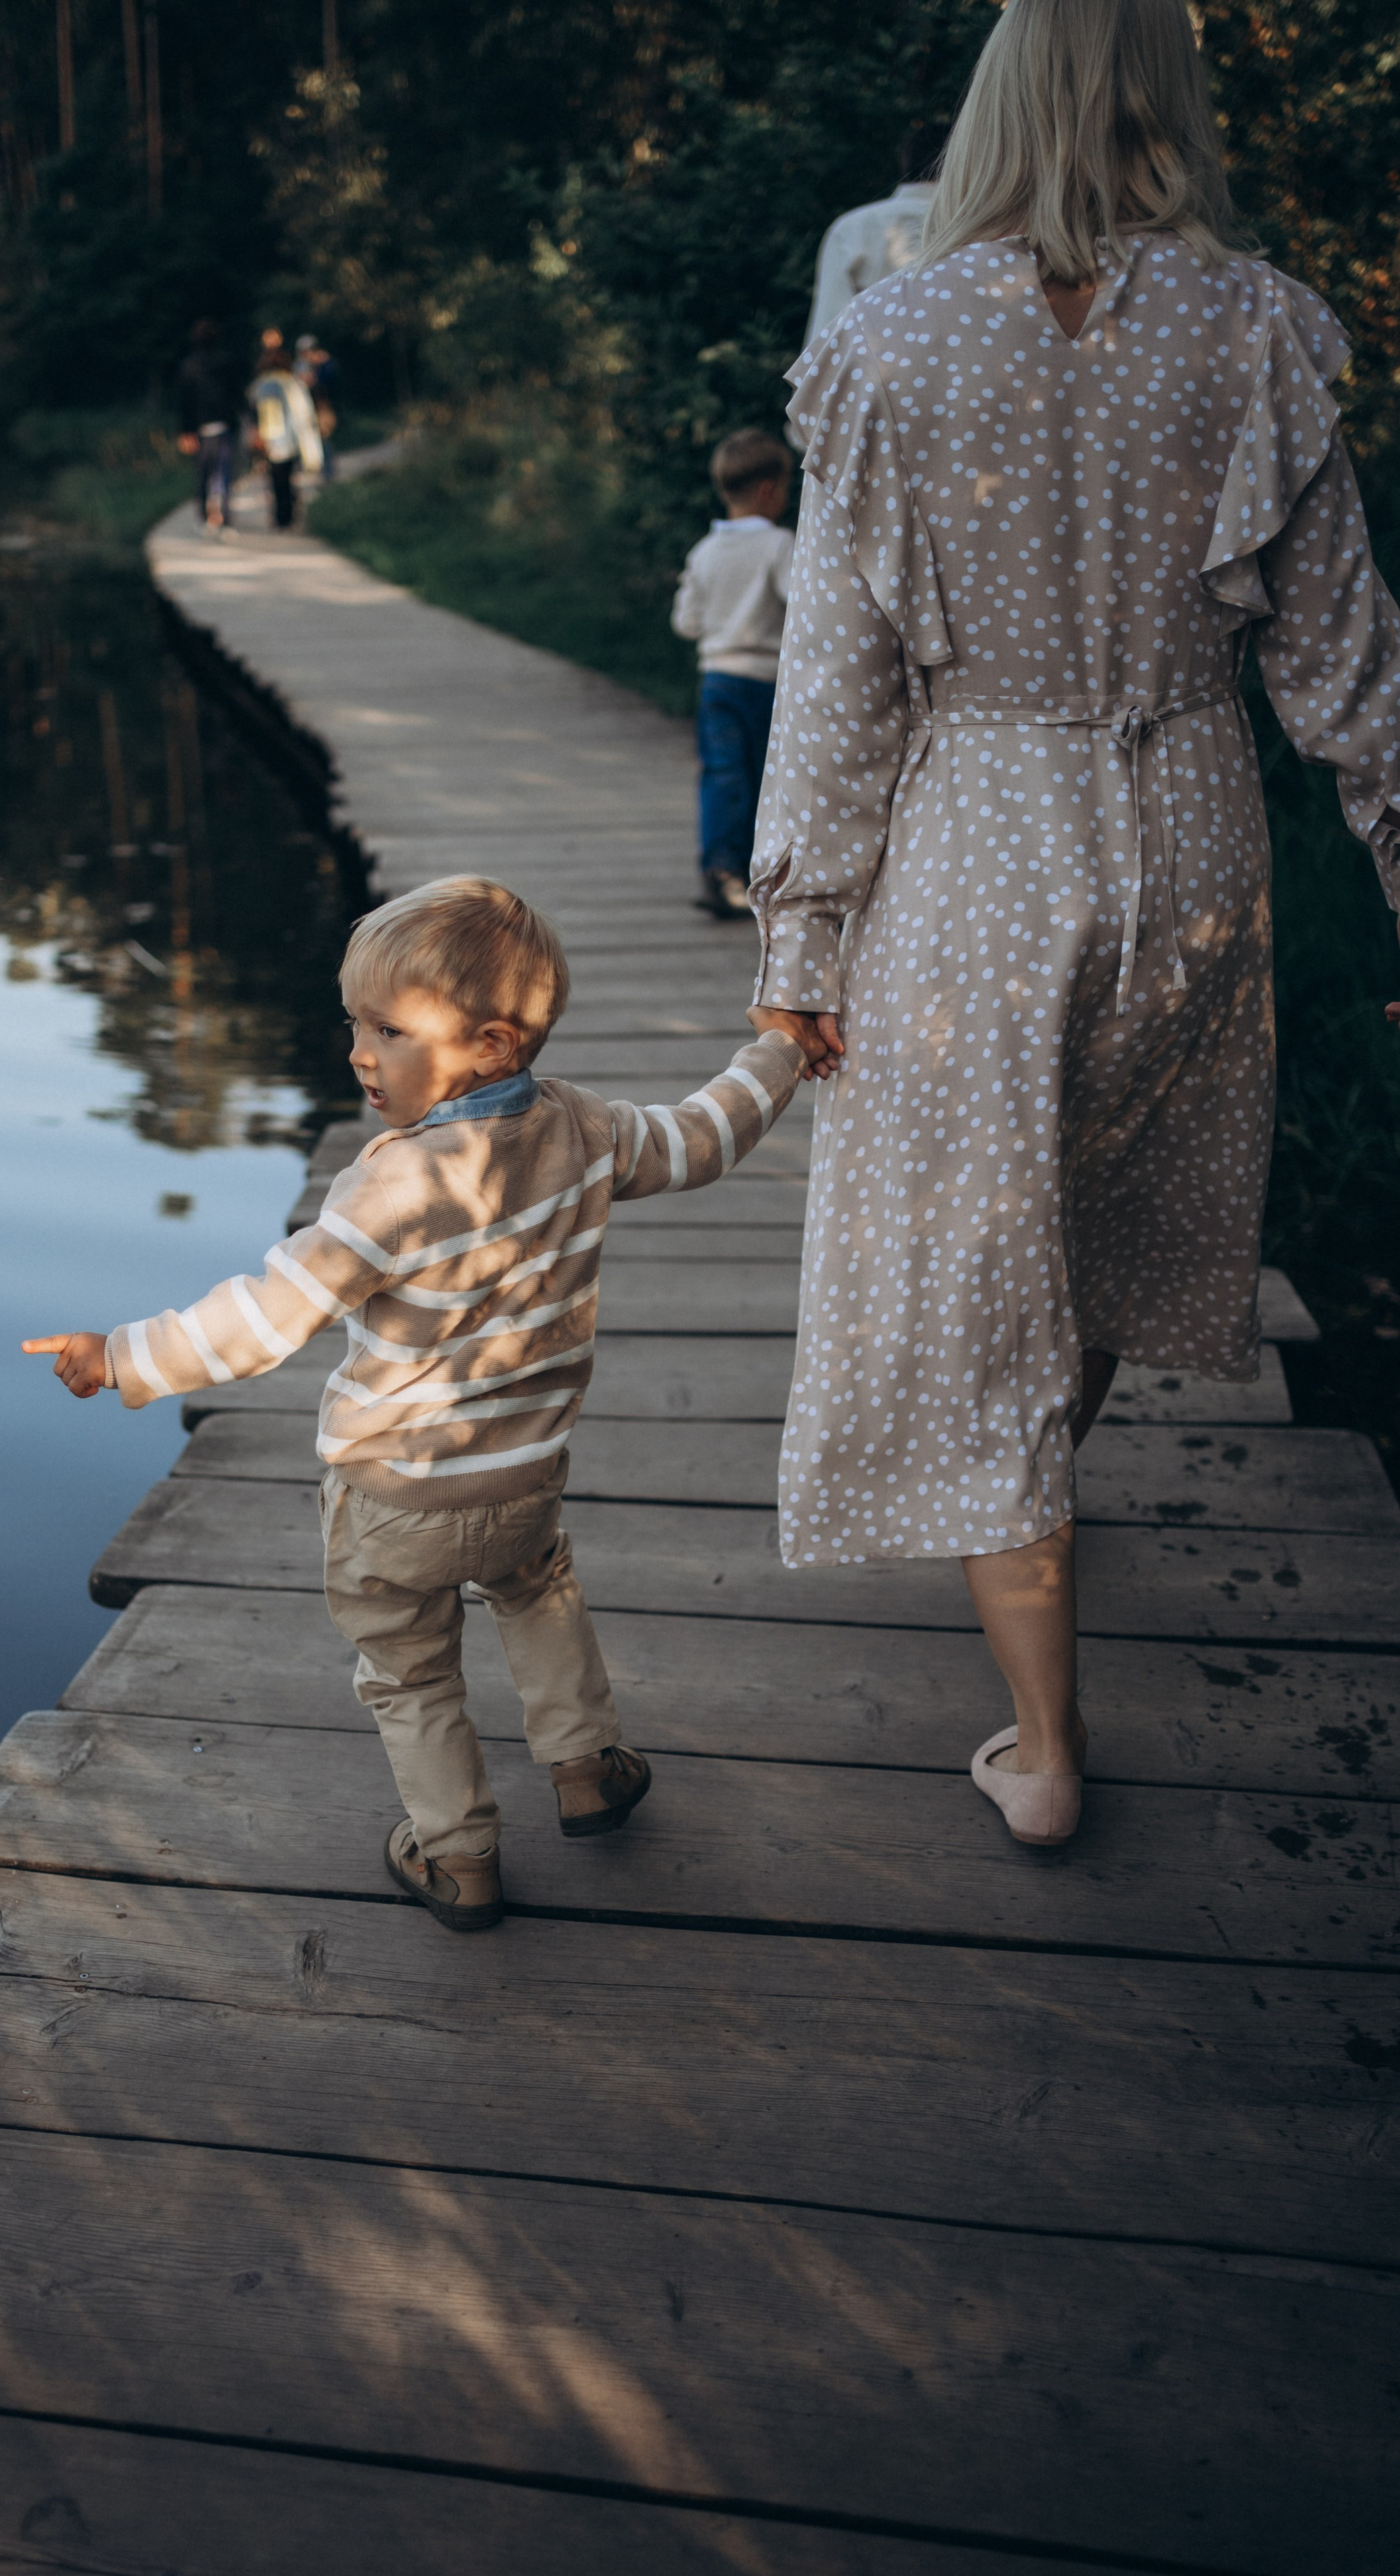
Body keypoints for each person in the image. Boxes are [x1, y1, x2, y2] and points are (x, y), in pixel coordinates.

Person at [746, 0, 1400, 1850]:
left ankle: (1045, 1748)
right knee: (1101, 1238)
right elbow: (1353, 664)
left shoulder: (889, 338)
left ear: (1001, 99)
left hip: (978, 851)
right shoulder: (1257, 325)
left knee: (974, 1295)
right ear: (1165, 95)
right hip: (1191, 837)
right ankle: (1030, 1478)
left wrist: (799, 954)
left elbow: (838, 683)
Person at [25, 877, 816, 1930]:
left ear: (490, 1045)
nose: (360, 1052)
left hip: (392, 1493)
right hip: (524, 1472)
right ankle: (586, 1769)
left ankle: (458, 1857)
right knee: (537, 1592)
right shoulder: (584, 1128)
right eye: (354, 1024)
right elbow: (701, 1138)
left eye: (389, 1031)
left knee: (408, 1673)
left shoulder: (391, 1186)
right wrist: (782, 1050)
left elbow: (266, 1318)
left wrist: (123, 1356)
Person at [671, 430, 794, 919]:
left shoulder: (704, 551)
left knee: (723, 774)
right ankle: (763, 873)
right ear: (769, 489)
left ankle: (719, 871)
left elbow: (687, 622)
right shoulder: (780, 545)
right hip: (767, 684)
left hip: (717, 681)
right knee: (769, 778)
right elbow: (803, 608)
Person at [801, 122, 950, 350]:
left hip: (874, 380)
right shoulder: (990, 230)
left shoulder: (853, 228)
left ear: (905, 163)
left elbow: (828, 334)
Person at [246, 329, 323, 530]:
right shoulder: (293, 384)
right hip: (291, 439)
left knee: (276, 479)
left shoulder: (260, 386)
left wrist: (256, 435)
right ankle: (289, 512)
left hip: (272, 440)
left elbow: (254, 413)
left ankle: (282, 516)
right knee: (288, 477)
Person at [175, 319, 243, 530]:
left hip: (201, 428)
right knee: (223, 473)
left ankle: (207, 518)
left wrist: (185, 432)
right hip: (225, 425)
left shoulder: (188, 366)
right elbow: (237, 396)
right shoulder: (227, 362)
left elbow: (185, 402)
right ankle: (223, 515)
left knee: (203, 474)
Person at [294, 333, 339, 478]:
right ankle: (319, 471)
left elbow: (330, 380)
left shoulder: (323, 363)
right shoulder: (299, 365)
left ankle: (328, 472)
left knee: (323, 437)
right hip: (304, 408)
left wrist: (322, 364)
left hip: (321, 406)